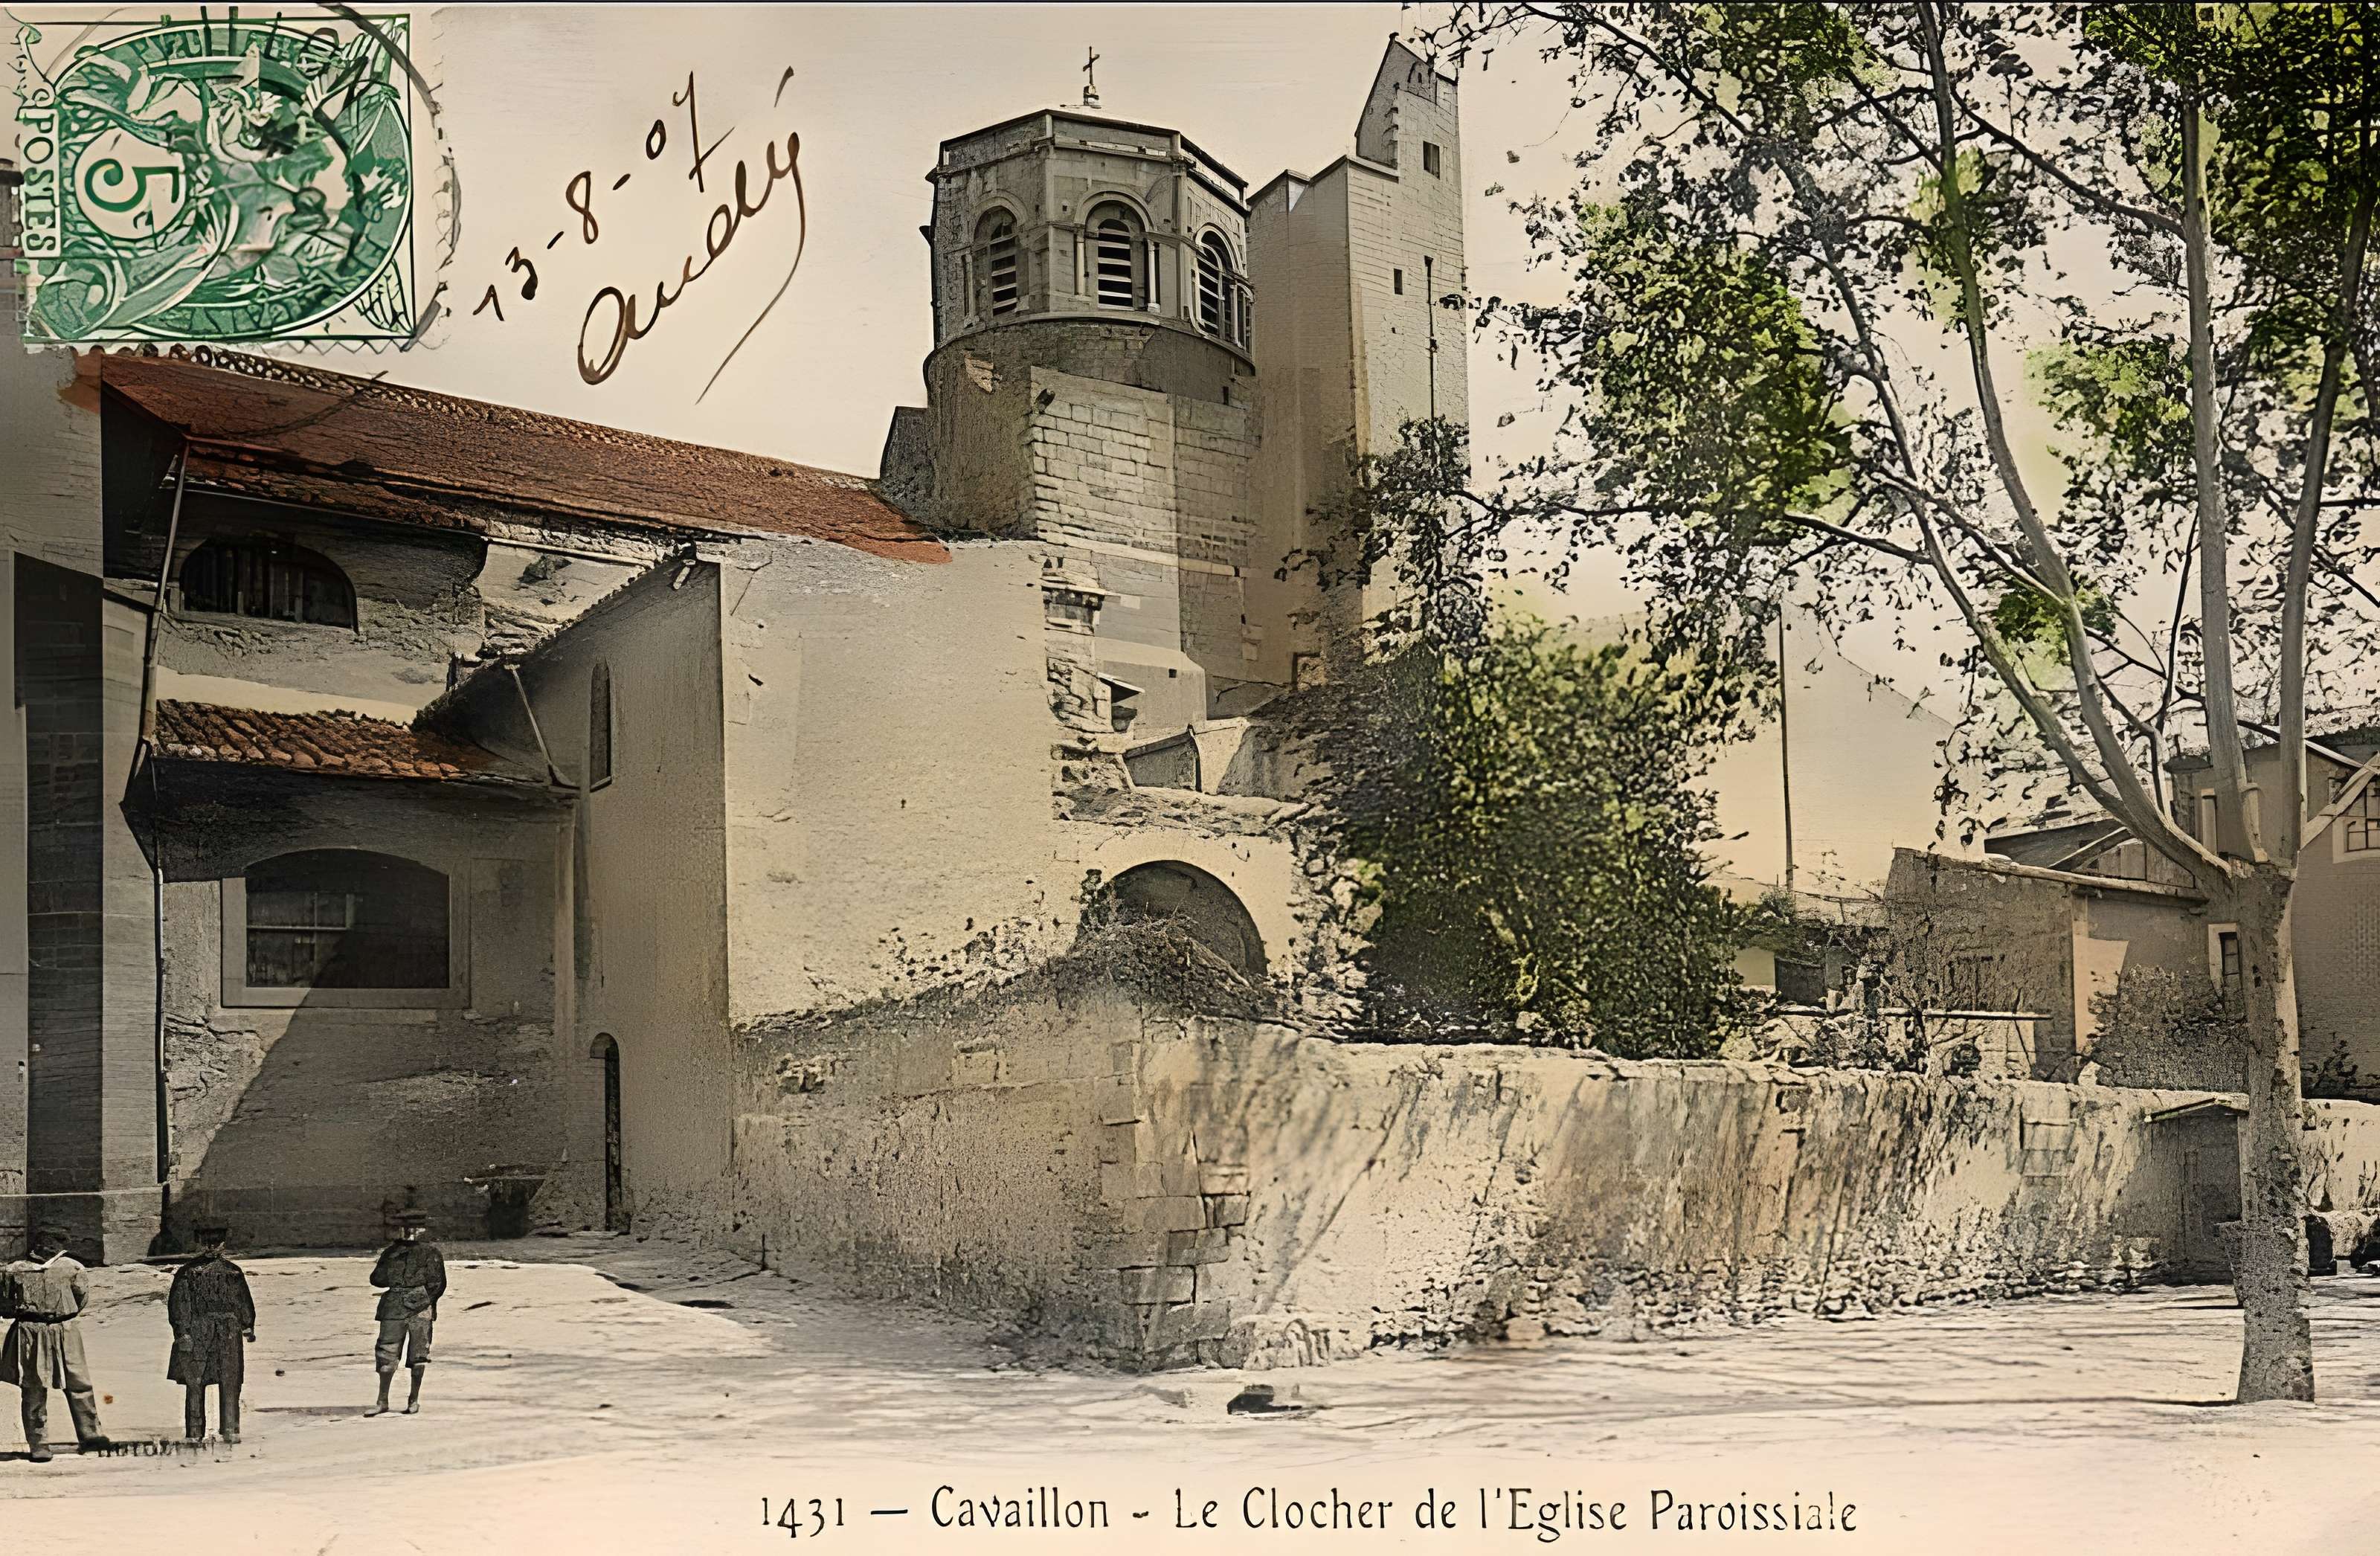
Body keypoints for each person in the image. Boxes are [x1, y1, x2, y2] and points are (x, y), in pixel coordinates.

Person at [0, 1227, 110, 1462]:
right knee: (33, 1389)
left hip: (65, 1330)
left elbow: (81, 1299)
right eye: (45, 1243)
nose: (49, 1248)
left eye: (54, 1244)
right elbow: (5, 1304)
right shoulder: (14, 1271)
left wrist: (59, 1317)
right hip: (30, 1333)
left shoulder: (72, 1268)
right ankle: (39, 1445)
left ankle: (92, 1437)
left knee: (79, 1383)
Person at [167, 1224, 255, 1444]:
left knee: (231, 1380)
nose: (211, 1248)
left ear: (224, 1245)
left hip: (228, 1332)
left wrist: (248, 1325)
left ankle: (231, 1429)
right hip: (198, 1329)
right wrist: (182, 1332)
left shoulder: (233, 1272)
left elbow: (243, 1300)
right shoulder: (187, 1273)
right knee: (195, 1382)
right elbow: (179, 1305)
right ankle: (195, 1432)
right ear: (199, 1244)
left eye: (216, 1244)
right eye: (206, 1244)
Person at [367, 1209, 444, 1416]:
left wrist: (418, 1301)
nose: (407, 1233)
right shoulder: (390, 1253)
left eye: (412, 1229)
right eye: (403, 1228)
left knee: (418, 1357)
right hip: (393, 1308)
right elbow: (376, 1280)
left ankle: (414, 1400)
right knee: (386, 1354)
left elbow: (437, 1285)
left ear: (421, 1230)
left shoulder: (431, 1253)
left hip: (420, 1310)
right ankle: (382, 1401)